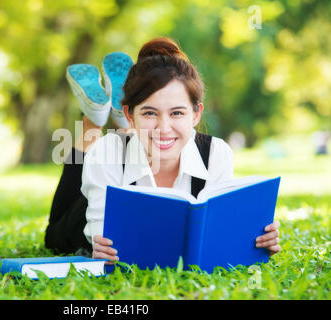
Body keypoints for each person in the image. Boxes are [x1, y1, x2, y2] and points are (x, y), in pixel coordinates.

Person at [45, 37, 281, 264]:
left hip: (132, 142)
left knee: (139, 140)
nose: (164, 128)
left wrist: (255, 241)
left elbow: (222, 228)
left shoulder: (216, 154)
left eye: (177, 113)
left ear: (196, 114)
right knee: (53, 235)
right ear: (131, 114)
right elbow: (105, 237)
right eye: (150, 113)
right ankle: (93, 121)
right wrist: (103, 246)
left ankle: (127, 119)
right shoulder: (107, 152)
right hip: (90, 202)